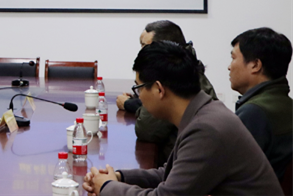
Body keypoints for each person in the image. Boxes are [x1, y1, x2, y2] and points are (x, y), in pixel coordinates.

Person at [83, 41, 283, 196]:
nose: (139, 96)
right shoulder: (202, 113)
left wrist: (107, 187)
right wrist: (119, 177)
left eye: (139, 88)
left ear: (159, 89)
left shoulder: (206, 128)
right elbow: (170, 174)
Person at [115, 20, 217, 164]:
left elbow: (147, 129)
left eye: (145, 46)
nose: (141, 53)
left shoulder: (175, 78)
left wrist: (131, 105)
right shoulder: (186, 69)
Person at [229, 27, 293, 181]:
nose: (229, 66)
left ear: (255, 65)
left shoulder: (254, 113)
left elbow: (230, 174)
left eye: (233, 58)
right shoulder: (287, 105)